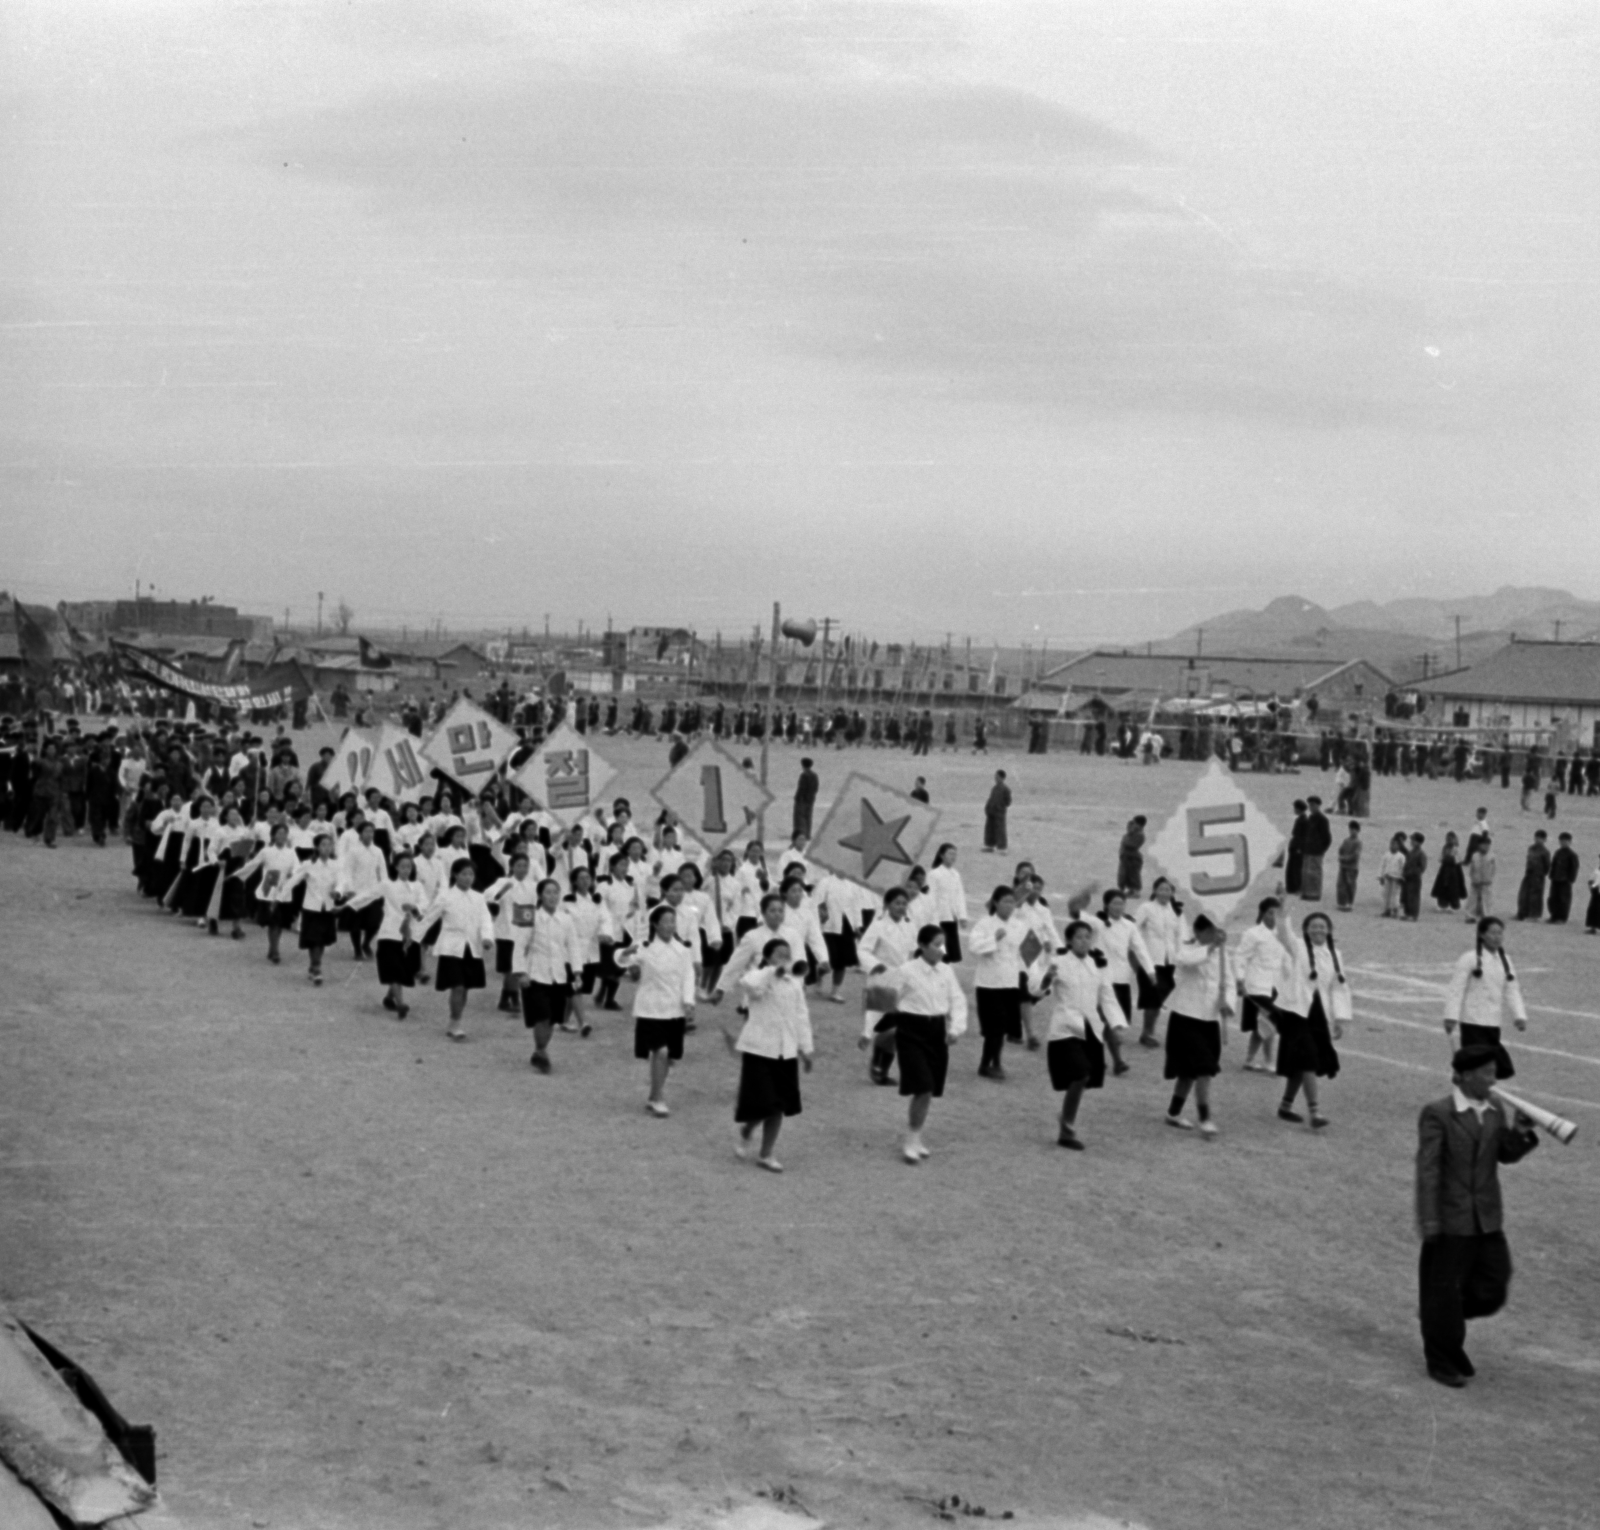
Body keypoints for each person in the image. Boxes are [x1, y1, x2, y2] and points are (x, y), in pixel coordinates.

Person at [1415, 1044, 1540, 1387]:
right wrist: (1429, 1219)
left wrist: (1520, 1132)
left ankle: (1439, 1315)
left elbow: (1505, 1155)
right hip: (1451, 1219)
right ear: (1466, 1076)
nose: (1493, 1079)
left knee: (1493, 1285)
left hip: (1486, 1216)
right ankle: (1441, 1359)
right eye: (1487, 1073)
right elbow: (1428, 1170)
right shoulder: (1437, 1113)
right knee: (1445, 1290)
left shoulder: (1495, 1108)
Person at [877, 924, 968, 1163]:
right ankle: (910, 1139)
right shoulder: (906, 971)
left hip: (937, 1032)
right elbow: (882, 997)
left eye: (943, 944)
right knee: (923, 1085)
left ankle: (916, 1137)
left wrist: (956, 1028)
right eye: (936, 945)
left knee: (929, 1090)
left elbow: (957, 1000)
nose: (941, 950)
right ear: (922, 946)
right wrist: (871, 1031)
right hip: (911, 1032)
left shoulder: (947, 972)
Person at [730, 937, 814, 1172]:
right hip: (759, 1049)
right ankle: (747, 1130)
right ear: (767, 957)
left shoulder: (794, 984)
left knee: (778, 1105)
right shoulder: (760, 978)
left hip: (785, 1051)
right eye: (779, 954)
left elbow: (801, 1016)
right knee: (764, 1103)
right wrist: (771, 970)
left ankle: (766, 1154)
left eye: (787, 954)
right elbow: (748, 984)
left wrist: (806, 1050)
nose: (785, 959)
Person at [1042, 919, 1122, 1150]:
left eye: (1087, 937)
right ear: (1069, 940)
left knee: (1085, 1078)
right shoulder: (1058, 962)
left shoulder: (1097, 965)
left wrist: (1115, 1023)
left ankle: (1066, 1121)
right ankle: (1067, 1126)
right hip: (1066, 1028)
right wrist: (1047, 977)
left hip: (1090, 1029)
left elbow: (1106, 995)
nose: (1084, 941)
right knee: (1080, 1074)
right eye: (1079, 937)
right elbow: (1038, 988)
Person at [1270, 908, 1349, 1129]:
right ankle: (1315, 1111)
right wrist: (1284, 909)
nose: (1318, 930)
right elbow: (1284, 934)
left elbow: (1339, 988)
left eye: (1322, 926)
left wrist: (1339, 1018)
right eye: (1313, 926)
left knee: (1300, 1064)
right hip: (1297, 1012)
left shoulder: (1335, 955)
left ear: (1329, 930)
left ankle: (1285, 1106)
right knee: (1308, 1060)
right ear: (1306, 929)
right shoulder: (1299, 947)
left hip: (1319, 1014)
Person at [1161, 915, 1232, 1138]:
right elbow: (1184, 960)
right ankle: (1205, 1118)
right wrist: (1210, 948)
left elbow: (1228, 980)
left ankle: (1173, 1112)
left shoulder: (1222, 954)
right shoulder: (1188, 947)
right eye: (1211, 931)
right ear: (1200, 933)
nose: (1216, 935)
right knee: (1202, 1068)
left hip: (1210, 1019)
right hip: (1186, 1016)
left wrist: (1227, 1003)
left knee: (1189, 1074)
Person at [627, 904, 697, 1116]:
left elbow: (688, 977)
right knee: (661, 1052)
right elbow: (625, 962)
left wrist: (689, 1002)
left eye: (672, 921)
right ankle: (658, 1098)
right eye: (665, 921)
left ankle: (654, 1093)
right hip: (650, 1008)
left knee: (668, 1056)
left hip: (674, 1010)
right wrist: (631, 964)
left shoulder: (683, 949)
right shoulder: (644, 947)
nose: (669, 926)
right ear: (655, 924)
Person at [419, 858, 496, 1041]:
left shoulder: (478, 898)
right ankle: (455, 1023)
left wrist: (487, 937)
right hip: (451, 947)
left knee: (466, 987)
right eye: (464, 874)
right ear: (455, 875)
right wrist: (413, 936)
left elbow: (485, 919)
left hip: (472, 947)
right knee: (458, 986)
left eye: (471, 874)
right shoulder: (445, 896)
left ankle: (456, 1020)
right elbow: (430, 918)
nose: (468, 878)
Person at [1442, 917, 1527, 1079]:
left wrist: (1519, 1015)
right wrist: (1451, 1016)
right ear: (1482, 935)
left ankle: (1468, 1083)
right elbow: (1456, 989)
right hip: (1472, 1021)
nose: (1497, 937)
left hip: (1493, 1023)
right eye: (1493, 933)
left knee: (1498, 1067)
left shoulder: (1505, 961)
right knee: (1479, 1065)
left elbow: (1511, 988)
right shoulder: (1469, 958)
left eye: (1500, 933)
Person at [518, 878, 583, 1073]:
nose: (552, 896)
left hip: (559, 975)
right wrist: (521, 972)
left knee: (553, 1018)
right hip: (535, 973)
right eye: (548, 892)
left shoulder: (566, 918)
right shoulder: (529, 914)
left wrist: (577, 972)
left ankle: (540, 1051)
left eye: (556, 892)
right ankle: (541, 1052)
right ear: (540, 895)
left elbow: (573, 946)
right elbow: (519, 945)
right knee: (542, 1015)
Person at [857, 886, 919, 1085]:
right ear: (887, 905)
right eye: (897, 903)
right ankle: (876, 1060)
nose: (901, 907)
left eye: (904, 904)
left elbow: (913, 951)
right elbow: (863, 950)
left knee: (898, 1028)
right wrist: (874, 965)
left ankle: (882, 1069)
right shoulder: (878, 925)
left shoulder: (910, 926)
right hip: (882, 978)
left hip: (901, 979)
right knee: (883, 1024)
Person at [969, 884, 1027, 1079]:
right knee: (995, 1025)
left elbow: (1023, 953)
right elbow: (974, 947)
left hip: (1009, 982)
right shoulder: (985, 923)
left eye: (1012, 902)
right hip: (989, 983)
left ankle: (992, 1063)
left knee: (1001, 1028)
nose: (1009, 906)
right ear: (995, 902)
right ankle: (989, 1064)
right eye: (1005, 901)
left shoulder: (1018, 925)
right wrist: (993, 939)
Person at [1234, 897, 1285, 1073]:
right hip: (1256, 986)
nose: (1274, 916)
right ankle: (1270, 1062)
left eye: (1277, 913)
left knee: (1261, 1026)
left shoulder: (1281, 934)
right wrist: (1239, 980)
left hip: (1274, 986)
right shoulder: (1253, 934)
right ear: (1263, 913)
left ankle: (1249, 1059)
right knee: (1269, 1023)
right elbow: (1240, 957)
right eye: (1270, 912)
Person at [1134, 877, 1184, 1048]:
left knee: (1161, 994)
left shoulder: (1175, 911)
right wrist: (1138, 951)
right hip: (1150, 960)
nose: (1165, 893)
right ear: (1155, 891)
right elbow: (1134, 929)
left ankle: (1149, 1030)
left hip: (1168, 961)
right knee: (1153, 997)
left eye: (1168, 890)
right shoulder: (1146, 908)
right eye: (1161, 889)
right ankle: (1147, 1033)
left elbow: (1180, 935)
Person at [926, 842, 969, 962]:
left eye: (955, 854)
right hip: (939, 918)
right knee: (940, 951)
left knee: (949, 954)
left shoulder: (956, 874)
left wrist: (962, 916)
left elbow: (959, 896)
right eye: (950, 853)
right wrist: (933, 920)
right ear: (941, 855)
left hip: (951, 918)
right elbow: (931, 897)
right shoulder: (934, 874)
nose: (953, 857)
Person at [1299, 797, 1332, 901]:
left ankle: (1314, 895)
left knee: (1315, 874)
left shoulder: (1323, 820)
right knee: (1306, 873)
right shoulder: (1310, 818)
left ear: (1318, 805)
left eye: (1313, 805)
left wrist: (1321, 849)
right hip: (1307, 851)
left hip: (1316, 852)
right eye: (1310, 805)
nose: (1311, 807)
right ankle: (1306, 893)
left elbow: (1327, 838)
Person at [1514, 830, 1551, 922]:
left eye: (1541, 838)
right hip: (1528, 874)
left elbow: (1547, 866)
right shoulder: (1531, 848)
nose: (1538, 840)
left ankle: (1534, 915)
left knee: (1536, 896)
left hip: (1538, 876)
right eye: (1536, 837)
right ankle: (1522, 913)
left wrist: (1541, 874)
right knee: (1524, 894)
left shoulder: (1545, 852)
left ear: (1545, 840)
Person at [1547, 832, 1580, 923]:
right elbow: (1553, 865)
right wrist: (1551, 875)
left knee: (1563, 899)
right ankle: (1554, 916)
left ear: (1570, 842)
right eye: (1561, 841)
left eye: (1565, 841)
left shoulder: (1572, 854)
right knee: (1553, 898)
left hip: (1565, 880)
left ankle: (1562, 918)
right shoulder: (1558, 852)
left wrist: (1571, 879)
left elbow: (1574, 868)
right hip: (1555, 879)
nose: (1563, 843)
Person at [1431, 831, 1466, 912]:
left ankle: (1454, 905)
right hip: (1444, 870)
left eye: (1450, 839)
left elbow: (1459, 860)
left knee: (1454, 889)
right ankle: (1443, 904)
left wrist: (1450, 858)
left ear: (1454, 839)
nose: (1448, 841)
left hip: (1454, 871)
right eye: (1447, 839)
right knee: (1443, 887)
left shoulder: (1456, 848)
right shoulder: (1444, 848)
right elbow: (1440, 859)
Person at [1465, 834, 1496, 921]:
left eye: (1487, 845)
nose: (1486, 847)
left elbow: (1494, 869)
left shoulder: (1491, 856)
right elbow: (1472, 868)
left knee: (1487, 900)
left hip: (1486, 882)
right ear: (1479, 845)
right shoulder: (1475, 855)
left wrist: (1489, 879)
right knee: (1473, 900)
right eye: (1483, 844)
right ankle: (1470, 916)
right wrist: (1473, 878)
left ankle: (1487, 916)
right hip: (1475, 882)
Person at [1400, 832, 1429, 921]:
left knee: (1414, 897)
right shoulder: (1411, 852)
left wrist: (1413, 872)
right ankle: (1407, 913)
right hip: (1407, 877)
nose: (1411, 842)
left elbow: (1422, 868)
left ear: (1419, 842)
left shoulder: (1421, 854)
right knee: (1406, 896)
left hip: (1414, 878)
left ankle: (1413, 915)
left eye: (1413, 840)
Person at [1335, 821, 1362, 911]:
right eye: (1351, 829)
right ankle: (1342, 903)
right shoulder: (1346, 840)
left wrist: (1345, 858)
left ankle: (1349, 903)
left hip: (1352, 867)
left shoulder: (1358, 842)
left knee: (1350, 885)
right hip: (1343, 866)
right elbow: (1340, 849)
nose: (1352, 831)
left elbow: (1356, 855)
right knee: (1341, 884)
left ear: (1358, 831)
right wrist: (1341, 857)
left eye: (1354, 830)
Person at [982, 770, 1011, 854]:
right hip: (991, 812)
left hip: (999, 813)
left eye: (997, 777)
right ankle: (990, 846)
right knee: (990, 829)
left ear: (1002, 778)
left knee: (1000, 830)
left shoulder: (1006, 789)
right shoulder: (994, 788)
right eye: (995, 776)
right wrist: (987, 808)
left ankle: (1002, 848)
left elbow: (1008, 802)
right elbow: (990, 799)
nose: (995, 778)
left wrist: (1000, 807)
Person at [1379, 832, 1407, 918]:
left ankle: (1395, 910)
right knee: (1386, 894)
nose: (1392, 846)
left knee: (1395, 895)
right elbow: (1382, 866)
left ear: (1398, 846)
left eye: (1395, 844)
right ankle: (1386, 910)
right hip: (1387, 877)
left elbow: (1403, 868)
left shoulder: (1401, 856)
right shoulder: (1386, 855)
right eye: (1391, 844)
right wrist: (1381, 876)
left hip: (1396, 878)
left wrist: (1402, 877)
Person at [1117, 816, 1146, 895]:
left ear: (1139, 825)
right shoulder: (1132, 833)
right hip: (1126, 857)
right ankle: (1127, 889)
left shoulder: (1140, 835)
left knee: (1133, 874)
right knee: (1123, 874)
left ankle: (1135, 890)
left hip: (1132, 858)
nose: (1133, 825)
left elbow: (1129, 844)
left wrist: (1129, 833)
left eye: (1135, 823)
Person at [1284, 800, 1308, 895]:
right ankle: (1292, 887)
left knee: (1296, 868)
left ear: (1298, 809)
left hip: (1298, 848)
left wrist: (1300, 848)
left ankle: (1296, 887)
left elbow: (1303, 836)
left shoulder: (1303, 821)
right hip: (1295, 846)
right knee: (1292, 868)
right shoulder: (1301, 819)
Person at [792, 757, 819, 840]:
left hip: (802, 800)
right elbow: (816, 787)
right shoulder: (814, 775)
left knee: (800, 818)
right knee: (808, 817)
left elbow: (801, 788)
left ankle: (801, 834)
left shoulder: (804, 775)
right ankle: (807, 834)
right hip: (810, 799)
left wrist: (797, 797)